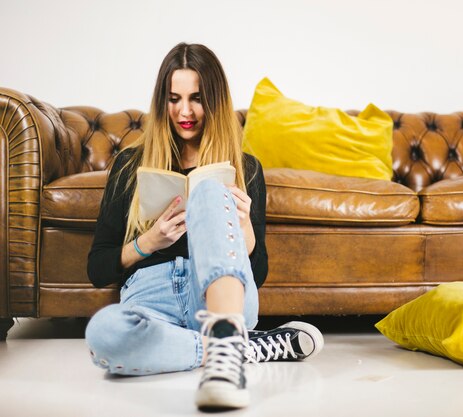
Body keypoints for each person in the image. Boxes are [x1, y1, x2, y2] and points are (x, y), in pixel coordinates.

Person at [84, 42, 324, 410]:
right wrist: (149, 241)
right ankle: (238, 348)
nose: (185, 111)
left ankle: (224, 340)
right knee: (102, 333)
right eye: (174, 98)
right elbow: (97, 269)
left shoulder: (246, 168)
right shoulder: (130, 165)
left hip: (218, 296)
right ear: (161, 101)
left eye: (196, 98)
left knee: (211, 191)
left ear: (214, 100)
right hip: (151, 303)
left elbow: (256, 275)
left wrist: (243, 229)